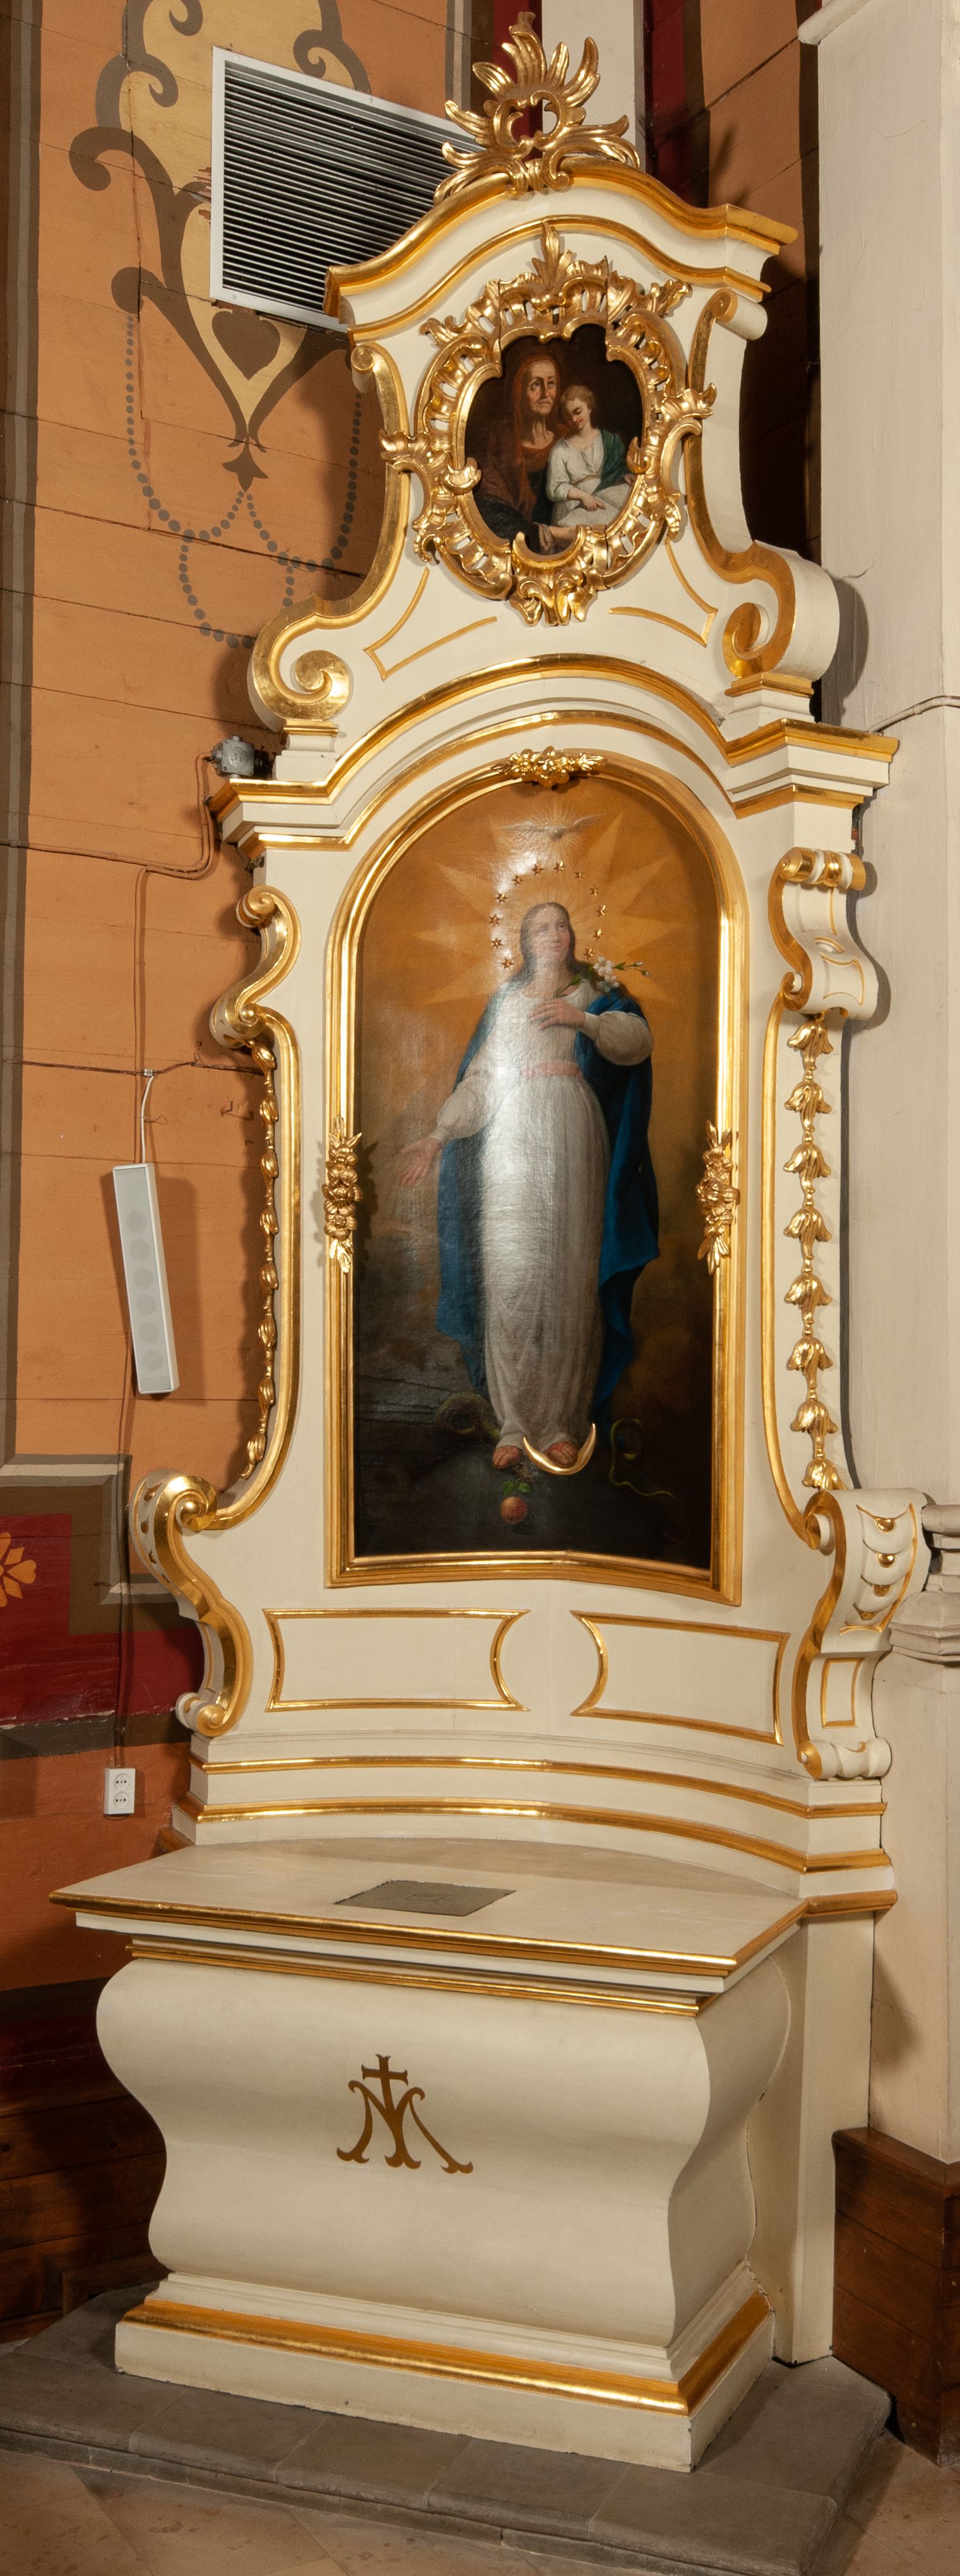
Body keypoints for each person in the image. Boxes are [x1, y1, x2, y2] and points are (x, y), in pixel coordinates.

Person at [398, 902, 658, 1471]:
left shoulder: (593, 991)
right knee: (511, 1276)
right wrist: (438, 1136)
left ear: (572, 935)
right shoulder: (510, 1003)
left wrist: (582, 1020)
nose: (553, 934)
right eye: (541, 927)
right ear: (524, 940)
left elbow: (637, 1042)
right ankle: (514, 1424)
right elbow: (482, 1078)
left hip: (573, 1131)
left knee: (568, 1275)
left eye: (561, 925)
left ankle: (562, 1422)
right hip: (513, 1138)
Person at [473, 350, 564, 551]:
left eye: (551, 383)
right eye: (536, 385)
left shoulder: (569, 439)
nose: (546, 394)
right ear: (519, 392)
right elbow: (493, 512)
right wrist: (542, 534)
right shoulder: (498, 444)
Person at [546, 384, 633, 531]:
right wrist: (583, 496)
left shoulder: (609, 440)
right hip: (573, 506)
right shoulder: (559, 450)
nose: (574, 419)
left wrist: (623, 475)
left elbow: (615, 469)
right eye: (568, 416)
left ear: (589, 407)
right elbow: (554, 489)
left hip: (605, 498)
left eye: (578, 412)